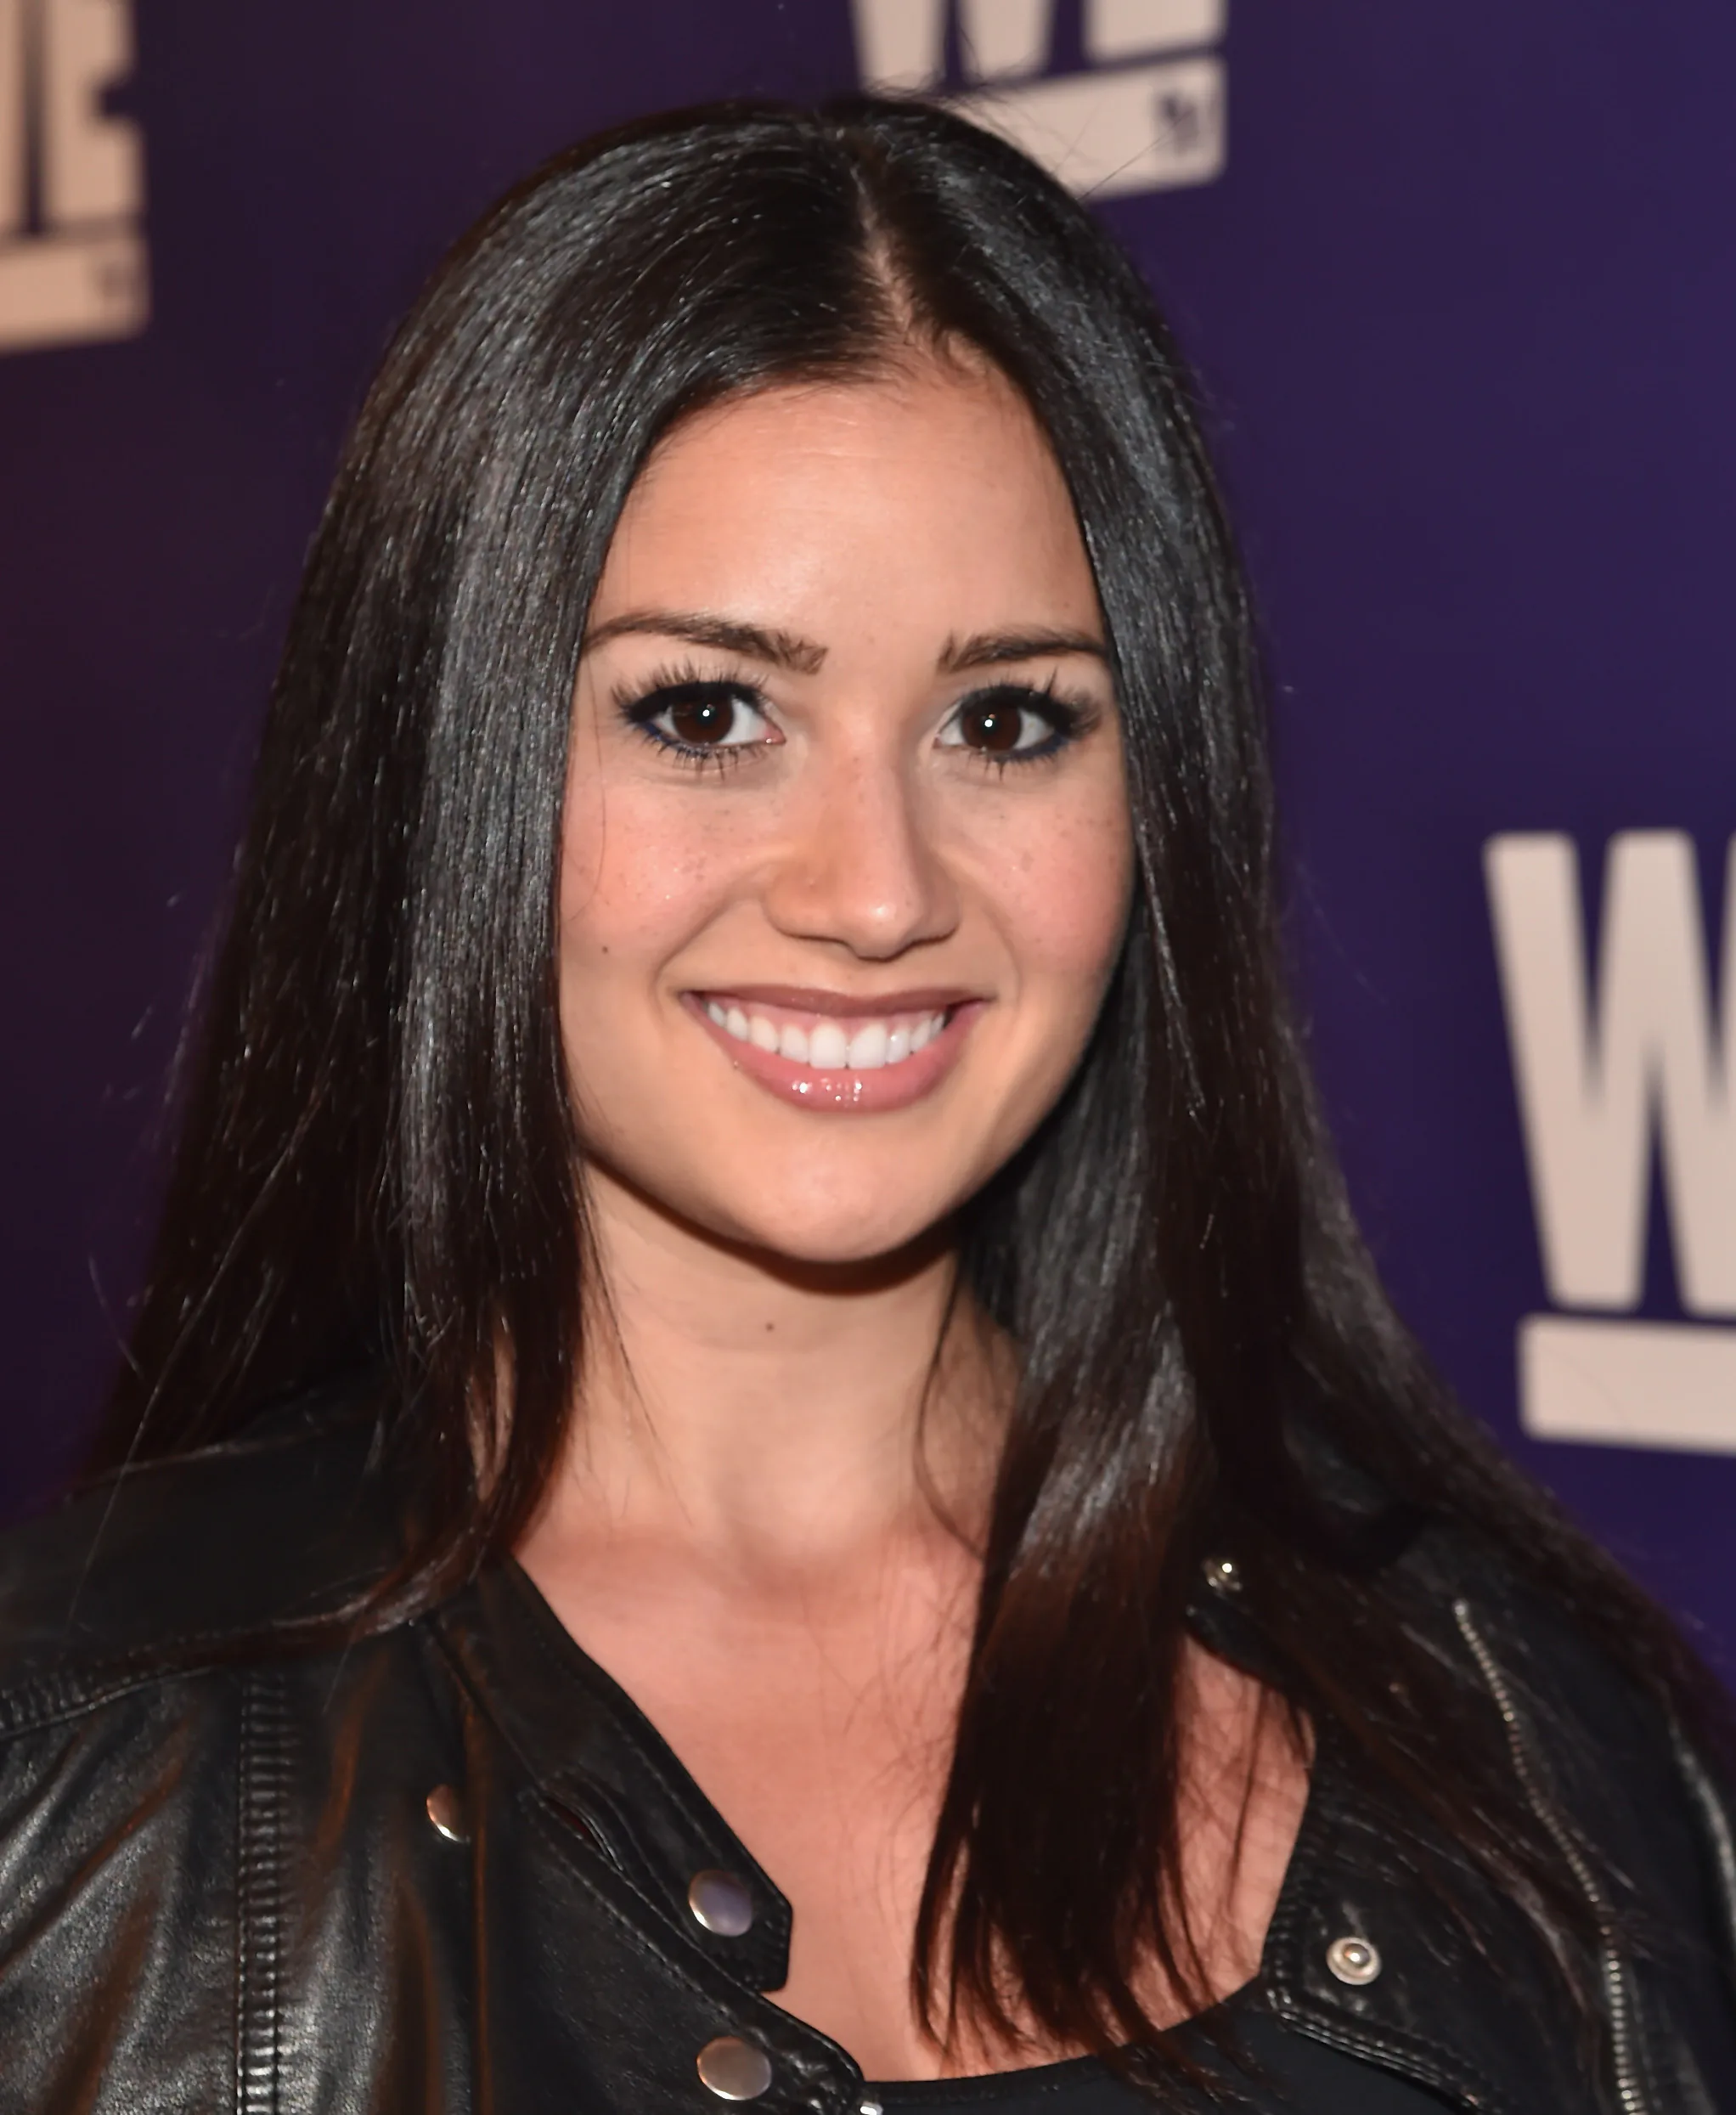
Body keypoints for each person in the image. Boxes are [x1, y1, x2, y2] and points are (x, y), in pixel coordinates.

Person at [0, 98, 1731, 2114]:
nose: (878, 891)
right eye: (706, 711)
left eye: (1002, 720)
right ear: (444, 758)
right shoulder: (81, 1790)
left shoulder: (1521, 1738)